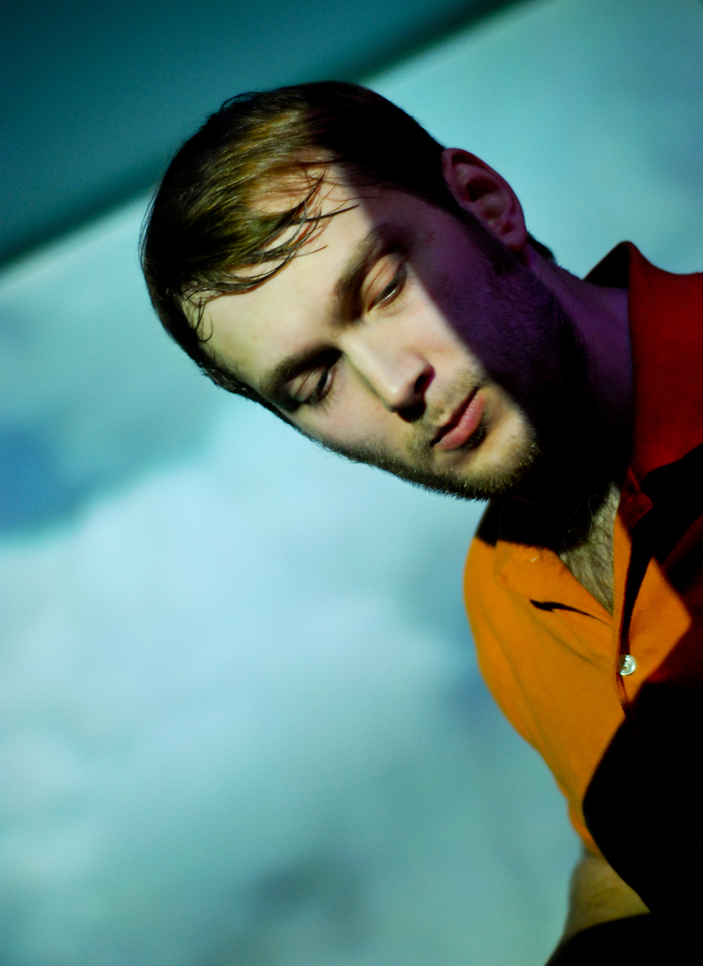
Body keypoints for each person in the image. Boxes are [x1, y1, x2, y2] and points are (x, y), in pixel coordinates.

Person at [141, 81, 702, 962]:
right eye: (314, 381)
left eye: (384, 285)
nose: (394, 381)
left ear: (485, 203)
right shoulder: (498, 593)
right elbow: (625, 842)